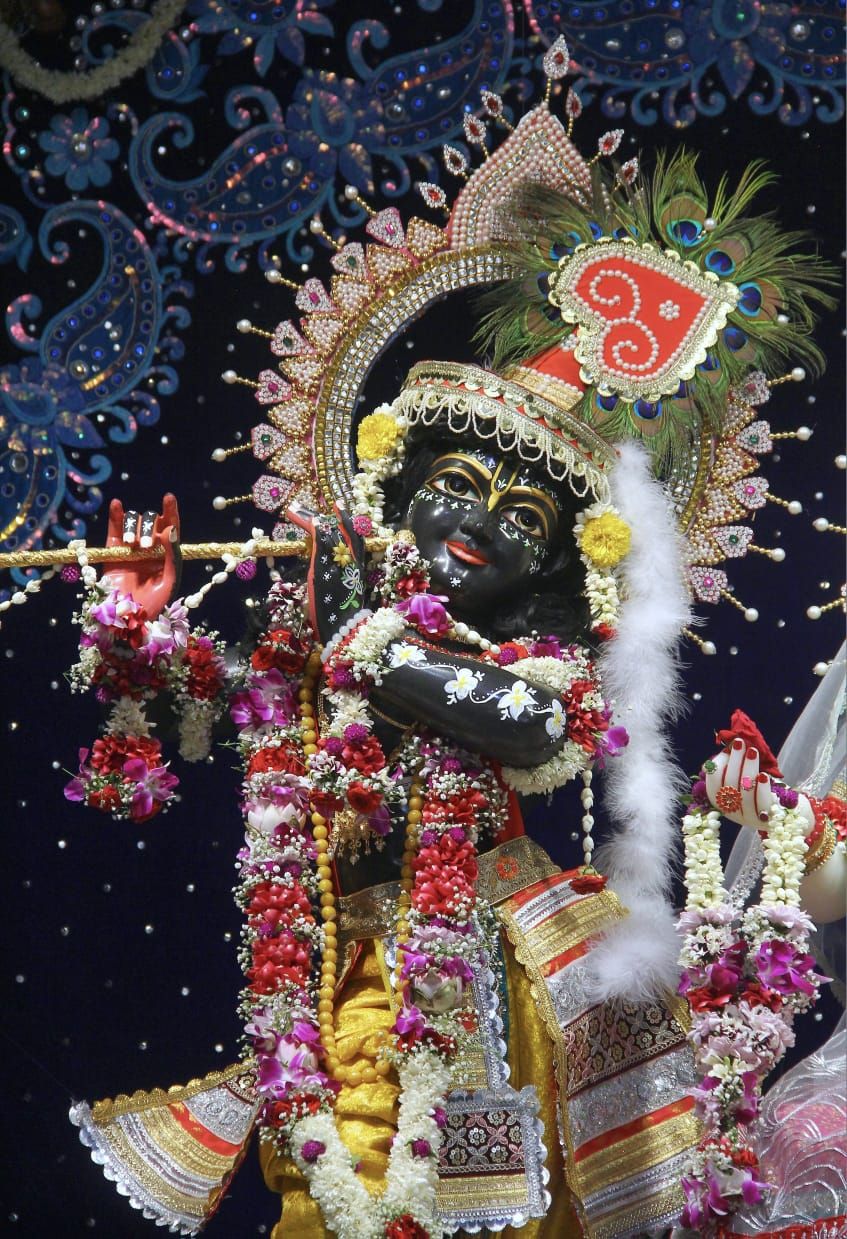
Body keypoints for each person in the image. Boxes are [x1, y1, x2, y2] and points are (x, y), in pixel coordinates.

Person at [67, 55, 835, 1239]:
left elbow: (529, 728)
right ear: (398, 488)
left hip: (477, 978)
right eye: (455, 489)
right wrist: (139, 621)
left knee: (450, 1211)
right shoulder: (330, 630)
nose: (476, 525)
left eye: (521, 521)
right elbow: (229, 704)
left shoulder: (530, 673)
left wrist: (376, 645)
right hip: (335, 979)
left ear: (554, 571)